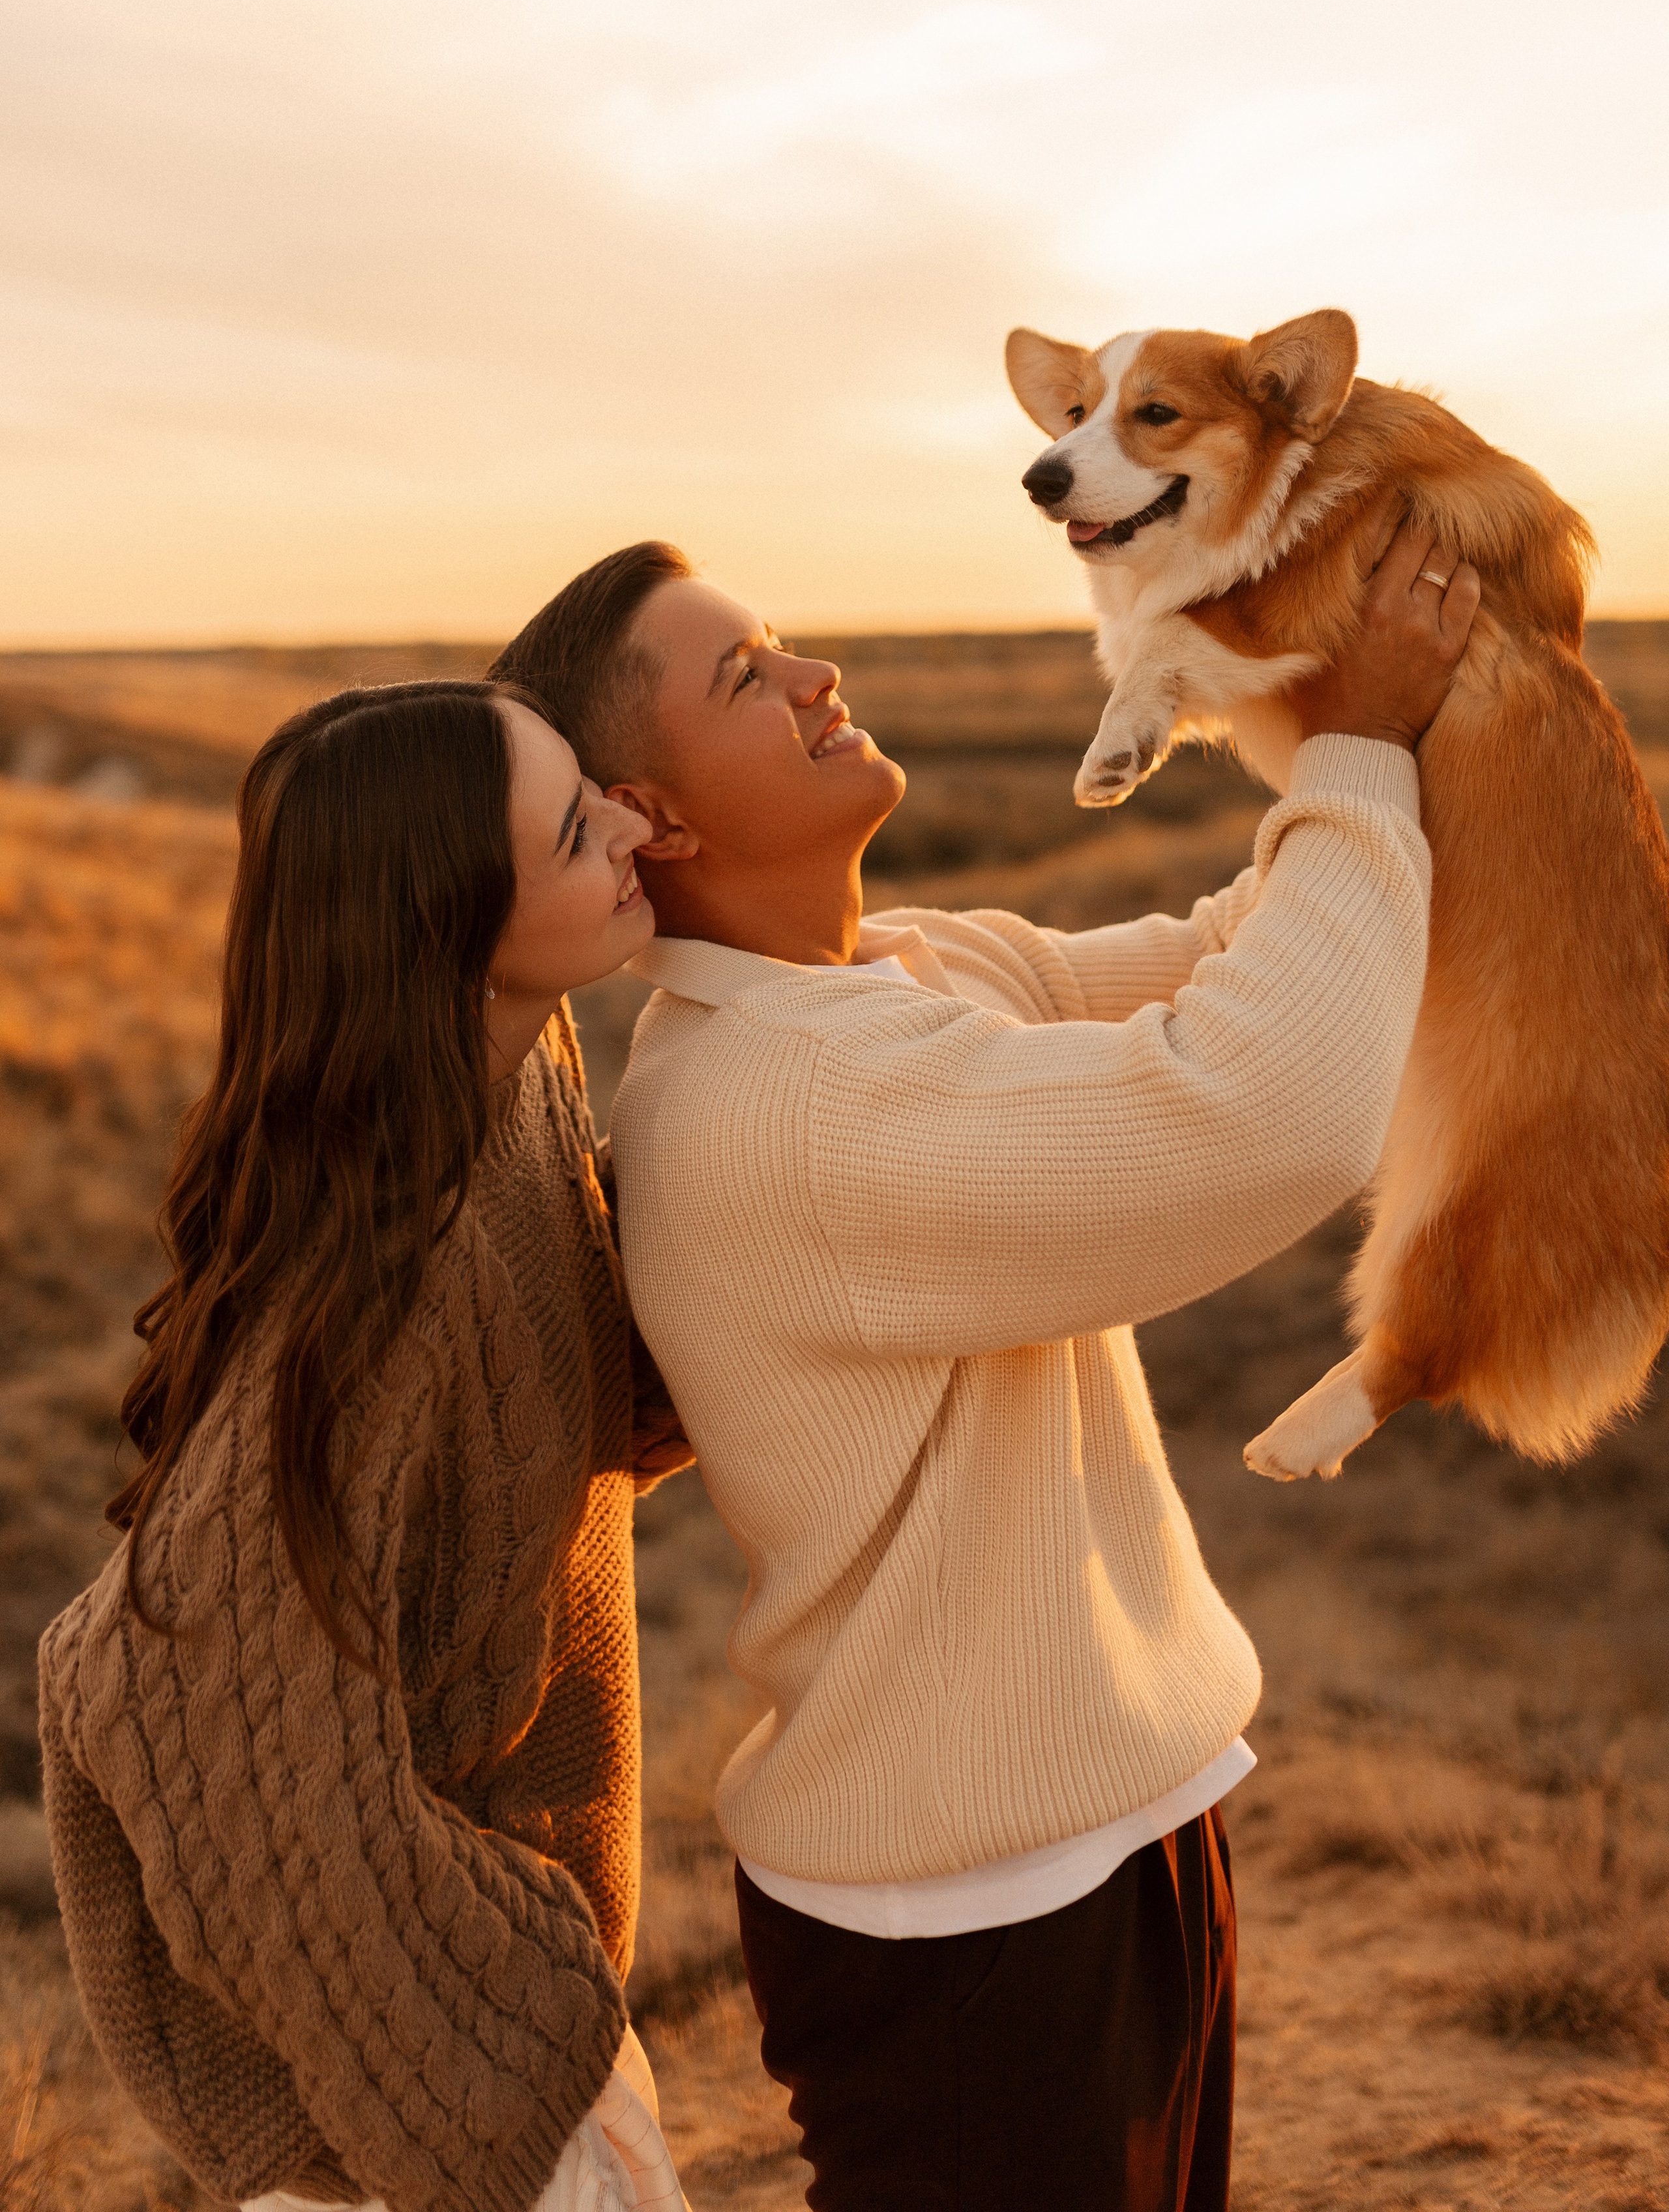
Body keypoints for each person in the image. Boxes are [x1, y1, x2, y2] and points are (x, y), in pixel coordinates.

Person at [490, 526, 1479, 2210]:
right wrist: (1363, 751)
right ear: (657, 817)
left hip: (1098, 1823)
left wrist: (1393, 721)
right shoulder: (777, 1110)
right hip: (970, 1906)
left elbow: (1251, 953)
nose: (813, 674)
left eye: (785, 639)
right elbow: (1269, 1108)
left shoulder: (897, 971)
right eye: (745, 677)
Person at [38, 681, 693, 2212]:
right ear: (448, 913)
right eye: (578, 828)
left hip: (502, 2012)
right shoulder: (378, 1289)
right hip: (411, 2099)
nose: (634, 832)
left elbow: (558, 1394)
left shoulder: (521, 1078)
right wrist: (496, 2007)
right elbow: (154, 1692)